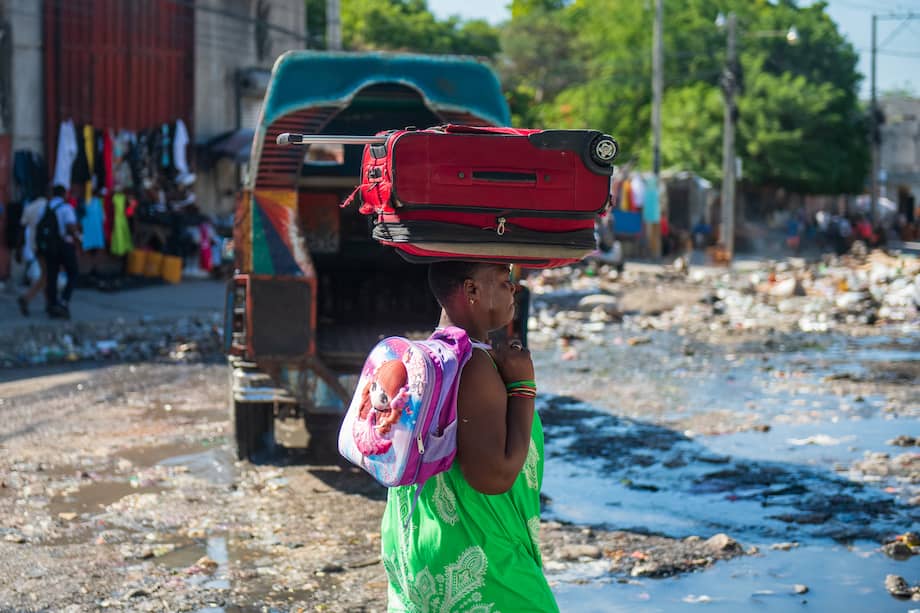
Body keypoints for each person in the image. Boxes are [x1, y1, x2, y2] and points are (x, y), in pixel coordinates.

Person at [380, 261, 558, 612]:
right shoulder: (472, 365)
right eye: (504, 280)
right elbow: (495, 476)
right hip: (477, 554)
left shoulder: (429, 357)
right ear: (471, 291)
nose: (514, 289)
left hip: (415, 546)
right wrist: (523, 388)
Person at [44, 184, 81, 319]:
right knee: (73, 272)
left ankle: (52, 304)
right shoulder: (66, 208)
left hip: (50, 246)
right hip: (64, 245)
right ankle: (64, 302)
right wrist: (78, 239)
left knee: (51, 276)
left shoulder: (46, 208)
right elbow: (70, 226)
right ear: (64, 194)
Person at [16, 195, 49, 316]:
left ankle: (48, 302)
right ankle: (26, 298)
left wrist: (18, 250)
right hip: (48, 246)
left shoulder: (29, 208)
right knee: (46, 275)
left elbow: (21, 229)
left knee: (46, 275)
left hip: (34, 246)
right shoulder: (49, 206)